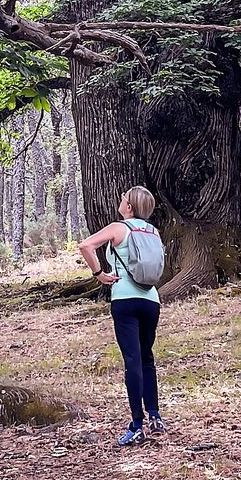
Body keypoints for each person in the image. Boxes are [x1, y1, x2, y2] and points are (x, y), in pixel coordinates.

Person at [78, 186, 166, 447]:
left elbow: (86, 245)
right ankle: (155, 416)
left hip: (125, 298)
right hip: (151, 299)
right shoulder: (153, 231)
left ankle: (136, 425)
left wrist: (99, 274)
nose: (120, 200)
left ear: (129, 207)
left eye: (123, 198)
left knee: (132, 361)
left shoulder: (119, 228)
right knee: (147, 357)